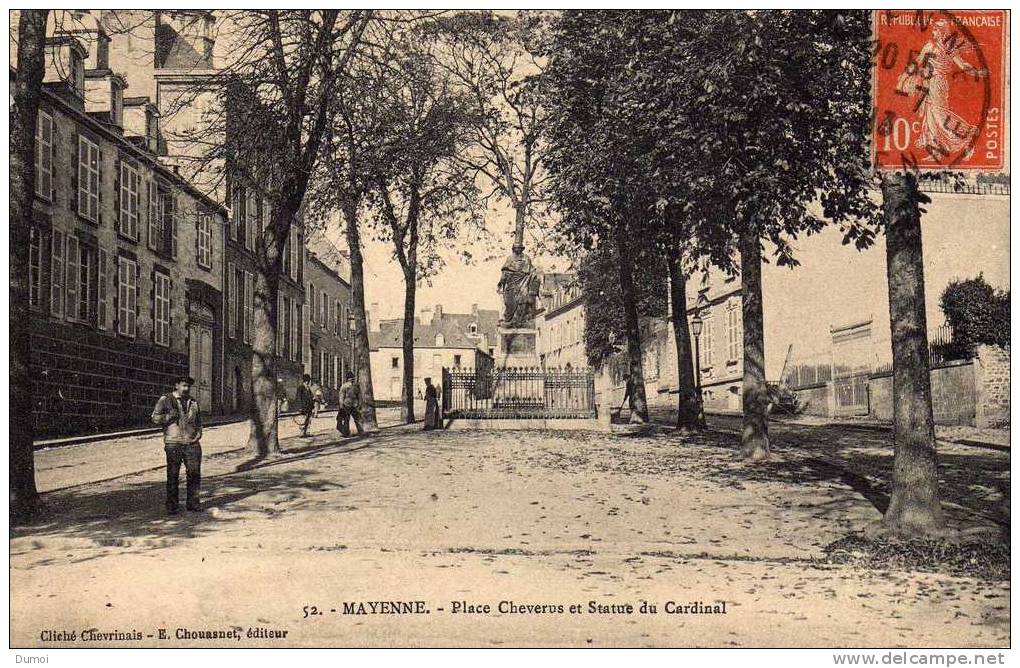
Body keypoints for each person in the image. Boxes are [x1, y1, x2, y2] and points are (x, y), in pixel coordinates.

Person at [151, 376, 203, 514]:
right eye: (183, 385)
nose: (186, 389)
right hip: (173, 443)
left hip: (192, 443)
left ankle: (193, 503)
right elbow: (155, 418)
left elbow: (198, 420)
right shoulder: (166, 400)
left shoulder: (193, 402)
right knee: (173, 475)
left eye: (188, 386)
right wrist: (169, 417)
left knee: (194, 474)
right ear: (177, 385)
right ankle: (172, 506)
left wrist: (199, 433)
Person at [337, 372, 363, 437]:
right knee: (348, 419)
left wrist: (359, 404)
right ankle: (347, 432)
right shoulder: (346, 386)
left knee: (355, 418)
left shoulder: (354, 386)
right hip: (348, 404)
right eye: (350, 378)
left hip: (352, 404)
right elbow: (342, 396)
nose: (351, 379)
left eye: (352, 378)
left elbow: (359, 396)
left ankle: (359, 431)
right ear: (348, 379)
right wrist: (341, 405)